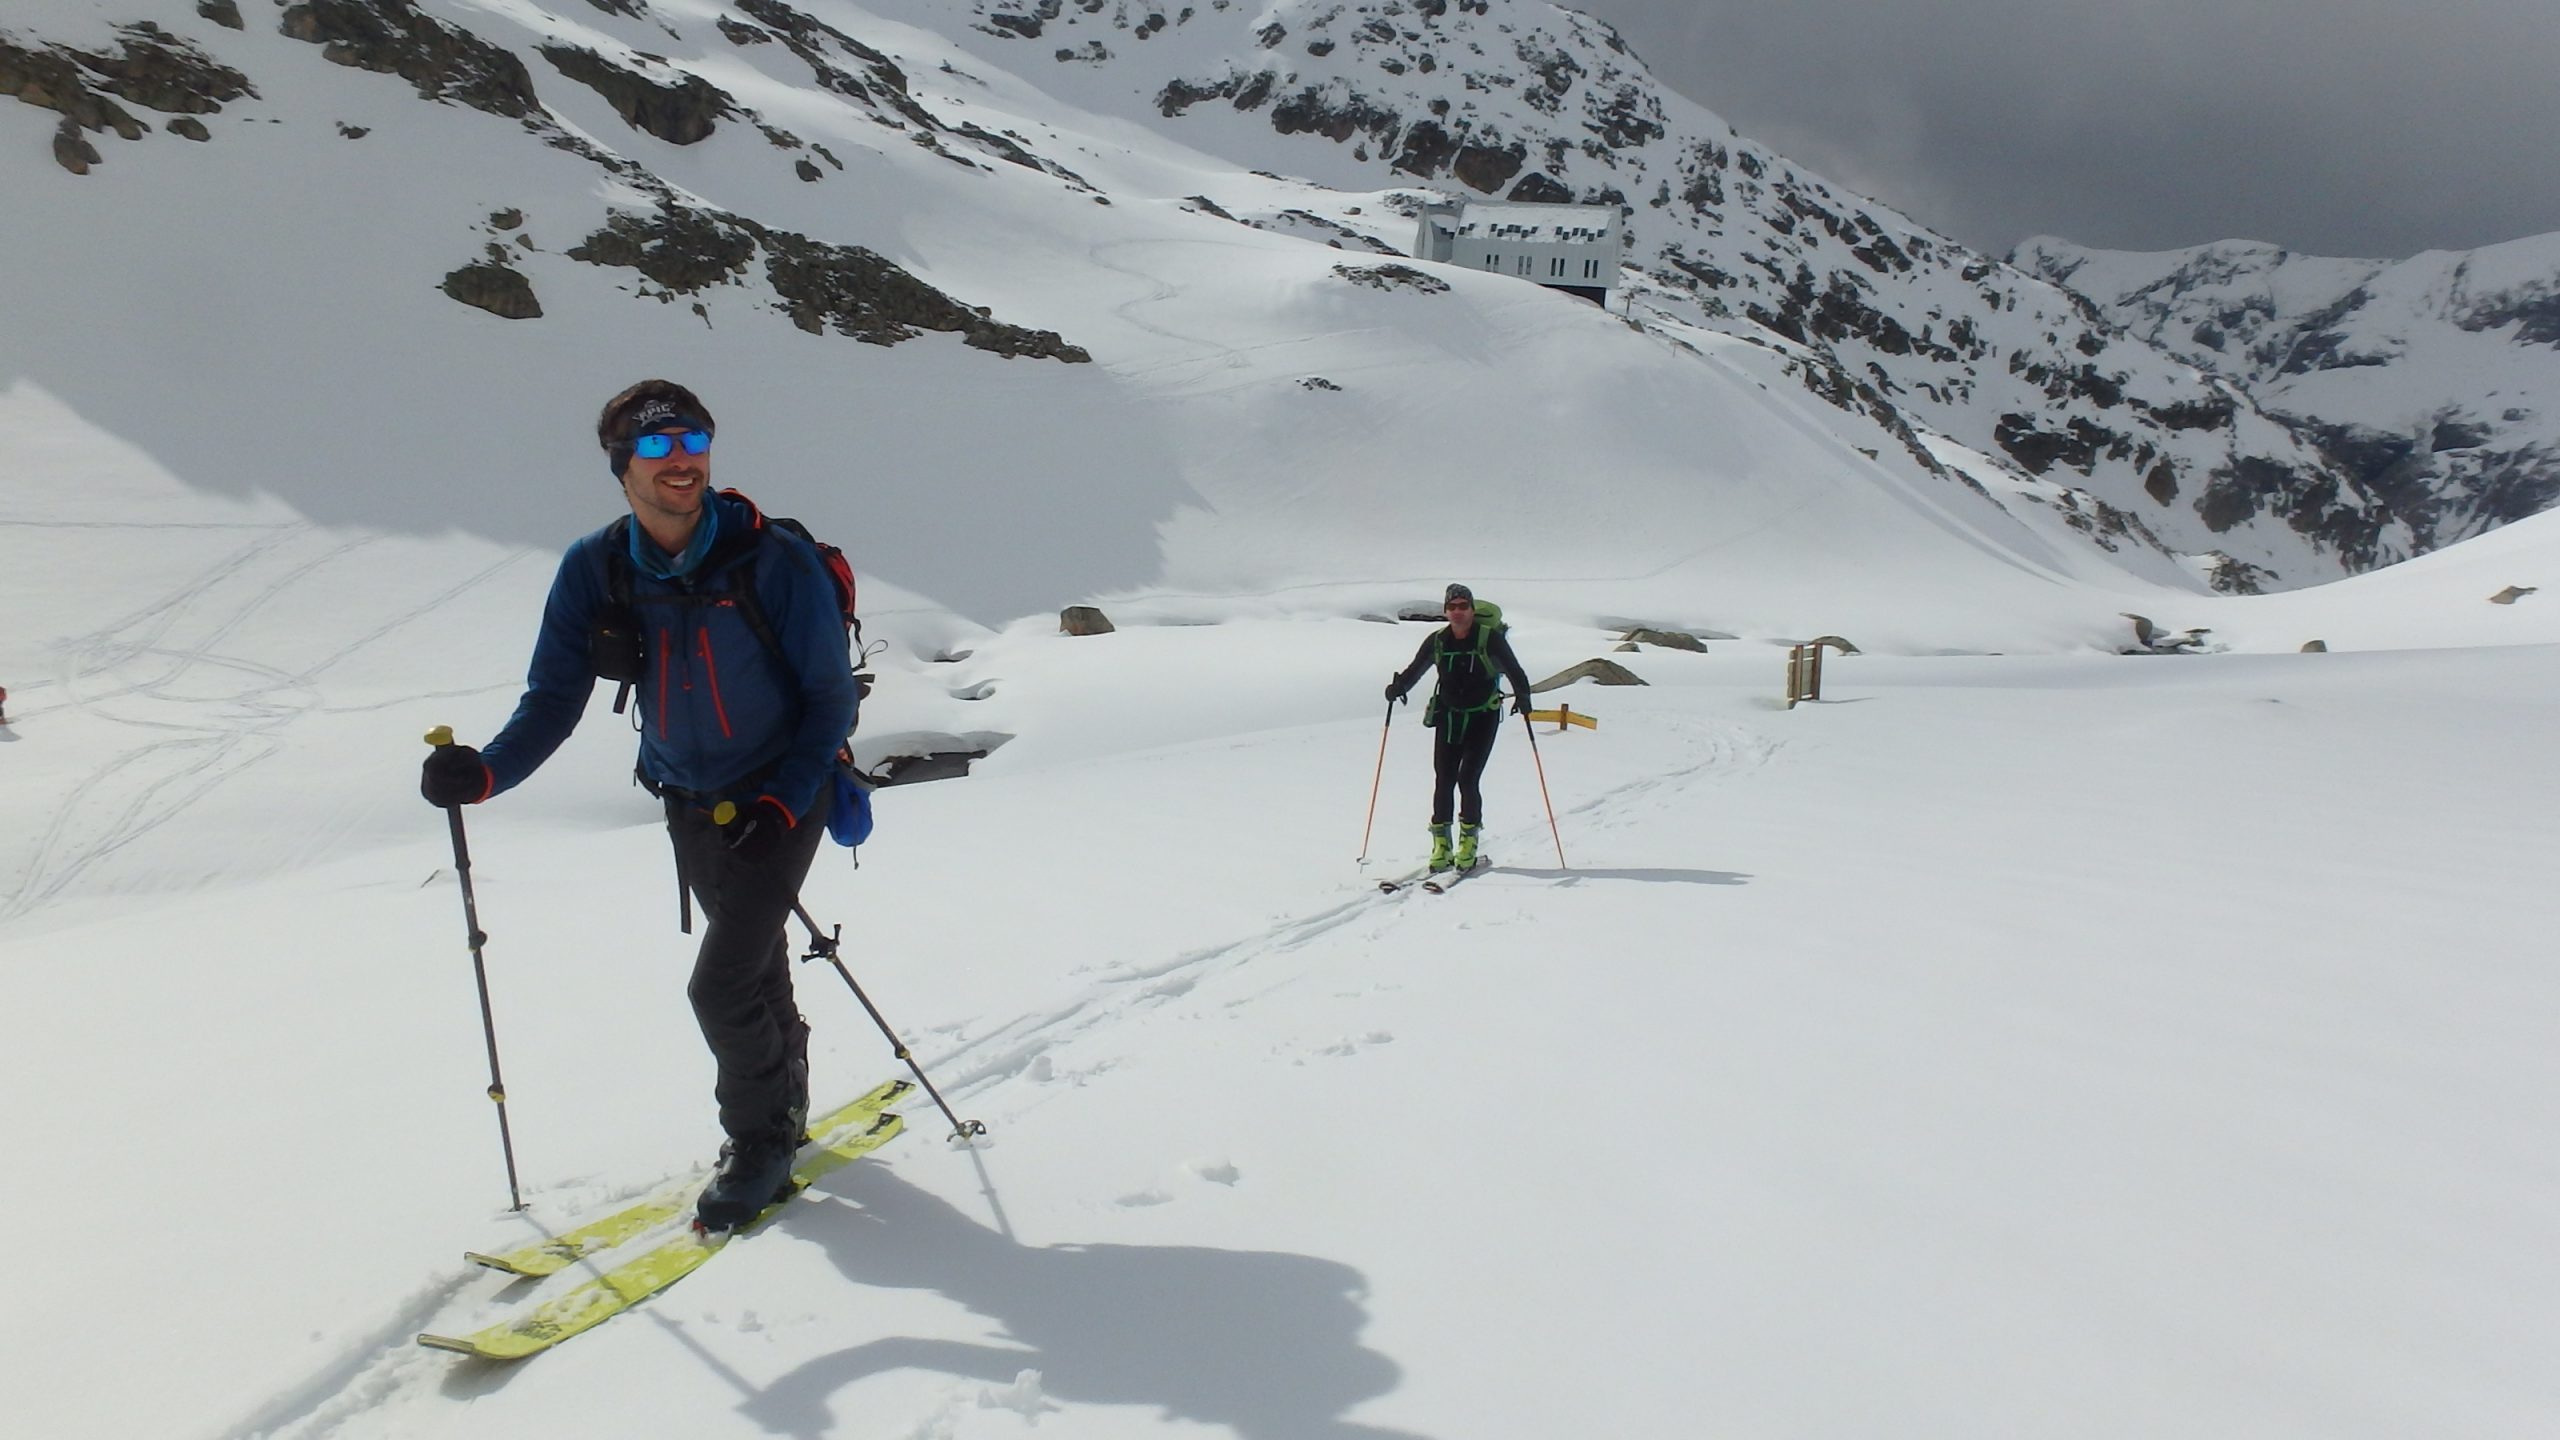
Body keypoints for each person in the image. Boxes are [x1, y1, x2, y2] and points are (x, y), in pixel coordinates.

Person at [418, 380, 860, 1230]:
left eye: (692, 441)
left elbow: (828, 699)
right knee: (755, 962)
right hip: (689, 801)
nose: (680, 461)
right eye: (656, 448)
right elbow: (553, 698)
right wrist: (483, 775)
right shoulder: (598, 567)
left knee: (720, 986)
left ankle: (761, 1137)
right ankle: (788, 1092)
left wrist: (781, 797)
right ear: (622, 467)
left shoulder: (775, 561)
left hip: (782, 795)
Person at [1384, 583, 1534, 872]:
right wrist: (1399, 686)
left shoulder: (1489, 639)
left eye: (1463, 606)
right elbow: (1417, 668)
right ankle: (1441, 844)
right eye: (1452, 607)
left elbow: (1515, 670)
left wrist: (1524, 697)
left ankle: (1468, 841)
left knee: (1467, 778)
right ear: (1445, 611)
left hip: (1483, 716)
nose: (1457, 612)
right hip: (1449, 716)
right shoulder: (1438, 641)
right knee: (1443, 779)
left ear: (1472, 609)